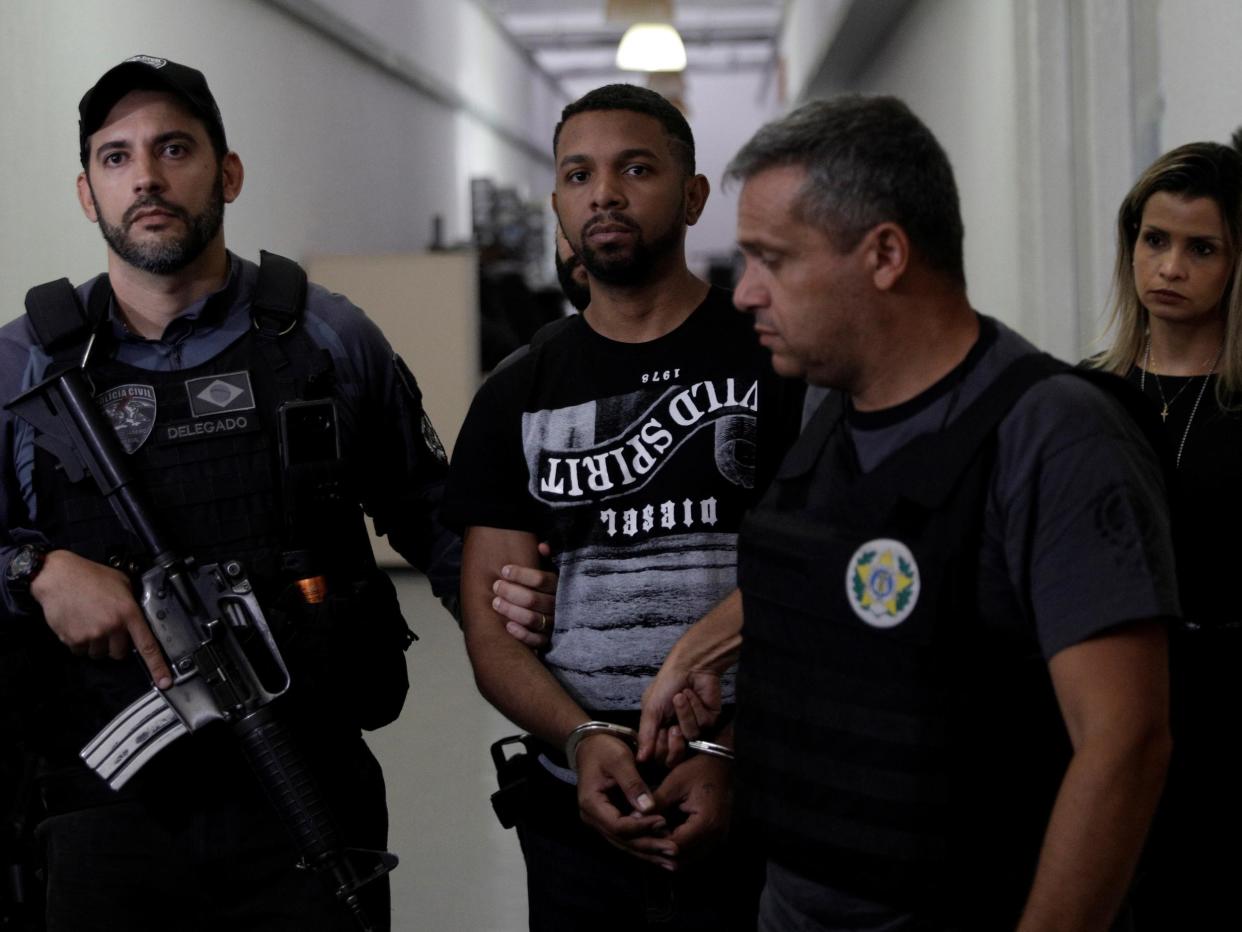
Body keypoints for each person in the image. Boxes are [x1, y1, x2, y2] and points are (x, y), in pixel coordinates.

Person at [638, 95, 1179, 931]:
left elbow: (1126, 745)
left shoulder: (1050, 435)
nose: (743, 294)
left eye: (770, 259)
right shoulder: (826, 422)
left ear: (885, 254)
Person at [0, 54, 472, 932]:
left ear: (228, 173)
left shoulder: (329, 339)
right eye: (116, 156)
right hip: (107, 811)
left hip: (307, 788)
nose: (145, 176)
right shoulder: (23, 367)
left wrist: (546, 674)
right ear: (85, 192)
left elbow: (437, 522)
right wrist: (32, 567)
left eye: (173, 147)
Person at [443, 84, 801, 930]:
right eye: (578, 174)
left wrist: (728, 749)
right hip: (577, 818)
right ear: (559, 203)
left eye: (634, 168)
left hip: (763, 800)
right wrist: (579, 738)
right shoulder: (515, 395)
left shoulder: (779, 361)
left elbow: (821, 582)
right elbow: (490, 632)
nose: (602, 191)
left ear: (692, 195)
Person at [1090, 139, 1242, 929]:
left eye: (1202, 248)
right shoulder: (1085, 400)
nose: (1171, 269)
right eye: (1156, 241)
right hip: (1113, 718)